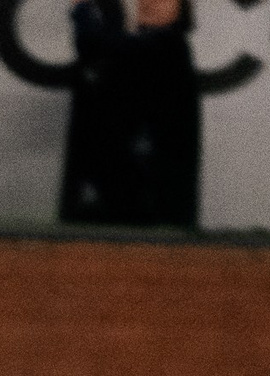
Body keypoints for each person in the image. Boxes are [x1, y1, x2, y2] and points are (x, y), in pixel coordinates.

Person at [58, 0, 201, 228]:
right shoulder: (155, 47)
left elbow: (95, 46)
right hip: (146, 201)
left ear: (181, 8)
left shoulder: (166, 46)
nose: (149, 2)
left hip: (149, 206)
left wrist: (83, 9)